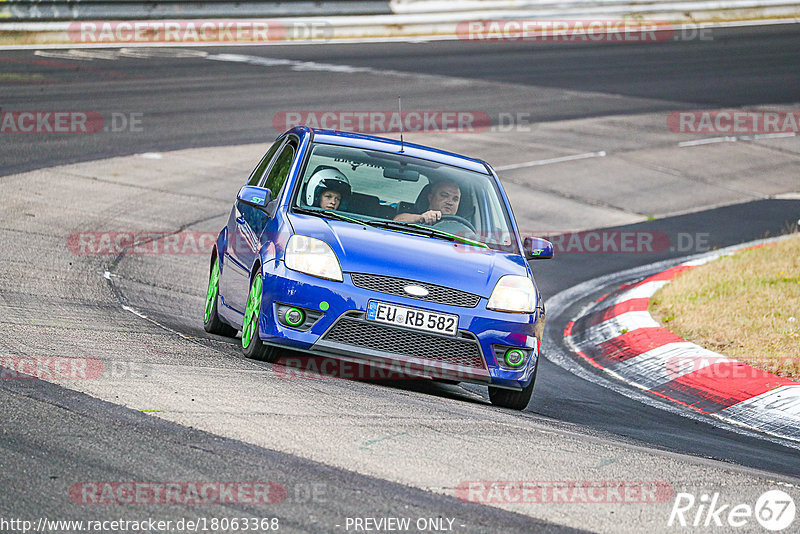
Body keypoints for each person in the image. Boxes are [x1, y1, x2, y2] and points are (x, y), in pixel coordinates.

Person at [394, 179, 461, 224]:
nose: (450, 202)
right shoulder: (417, 217)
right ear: (430, 197)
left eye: (455, 199)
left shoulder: (462, 228)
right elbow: (396, 221)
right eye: (444, 196)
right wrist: (421, 218)